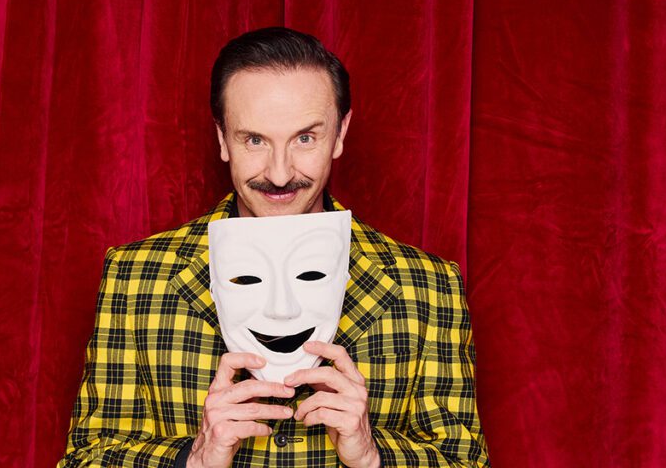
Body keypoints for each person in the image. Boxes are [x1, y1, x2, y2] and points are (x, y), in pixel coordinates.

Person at [58, 27, 490, 467]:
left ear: (340, 133)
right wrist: (195, 459)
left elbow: (465, 462)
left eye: (305, 138)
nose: (280, 173)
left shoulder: (430, 288)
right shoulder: (136, 277)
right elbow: (86, 460)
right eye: (254, 140)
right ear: (223, 139)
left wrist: (373, 456)